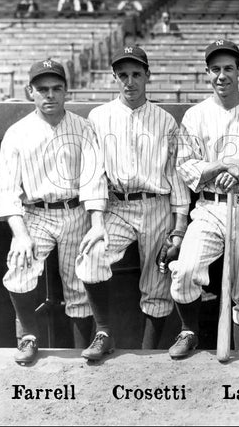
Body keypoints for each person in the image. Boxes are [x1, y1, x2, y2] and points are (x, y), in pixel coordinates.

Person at [167, 40, 239, 359]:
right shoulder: (195, 115)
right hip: (209, 206)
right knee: (186, 270)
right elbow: (185, 164)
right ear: (207, 73)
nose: (222, 75)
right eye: (216, 69)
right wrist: (217, 166)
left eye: (228, 68)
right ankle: (189, 331)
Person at [77, 46, 191, 360]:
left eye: (136, 74)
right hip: (117, 206)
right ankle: (104, 333)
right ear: (115, 78)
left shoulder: (165, 120)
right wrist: (97, 223)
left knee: (157, 282)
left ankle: (148, 355)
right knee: (91, 257)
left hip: (156, 204)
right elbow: (93, 172)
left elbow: (176, 175)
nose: (130, 81)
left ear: (147, 76)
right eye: (123, 75)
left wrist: (179, 227)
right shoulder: (98, 117)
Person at [0, 59, 107, 364]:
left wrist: (96, 224)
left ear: (66, 91)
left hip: (75, 211)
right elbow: (7, 191)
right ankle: (28, 338)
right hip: (35, 214)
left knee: (79, 284)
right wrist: (20, 235)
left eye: (56, 88)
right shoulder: (17, 133)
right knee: (19, 267)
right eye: (42, 89)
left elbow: (93, 180)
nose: (50, 95)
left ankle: (83, 353)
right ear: (29, 91)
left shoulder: (83, 128)